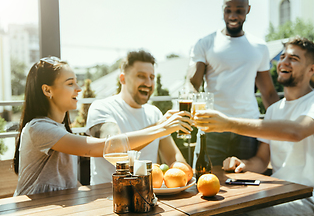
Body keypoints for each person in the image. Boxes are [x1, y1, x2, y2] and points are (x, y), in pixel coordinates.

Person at [195, 37, 314, 216]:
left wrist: (228, 124)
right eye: (283, 57)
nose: (284, 62)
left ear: (312, 68)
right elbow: (262, 161)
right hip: (279, 195)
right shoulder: (273, 110)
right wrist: (244, 164)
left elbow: (296, 132)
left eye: (294, 59)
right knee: (216, 212)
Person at [13, 56, 191, 196]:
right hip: (34, 212)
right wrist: (161, 128)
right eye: (70, 83)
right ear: (47, 90)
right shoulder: (39, 128)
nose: (79, 88)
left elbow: (66, 182)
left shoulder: (60, 129)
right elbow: (107, 147)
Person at [188, 0, 279, 166]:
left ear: (248, 10)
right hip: (212, 126)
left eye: (239, 11)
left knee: (246, 182)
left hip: (247, 126)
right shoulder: (205, 43)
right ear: (222, 9)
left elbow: (268, 93)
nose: (233, 16)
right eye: (228, 10)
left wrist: (285, 125)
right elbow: (192, 84)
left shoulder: (259, 47)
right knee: (206, 180)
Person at [86, 50, 191, 185]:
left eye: (152, 77)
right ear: (122, 78)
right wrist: (160, 127)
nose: (148, 83)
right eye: (141, 76)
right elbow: (113, 149)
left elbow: (172, 157)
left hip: (147, 194)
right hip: (107, 195)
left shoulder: (154, 113)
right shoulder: (101, 107)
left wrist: (186, 176)